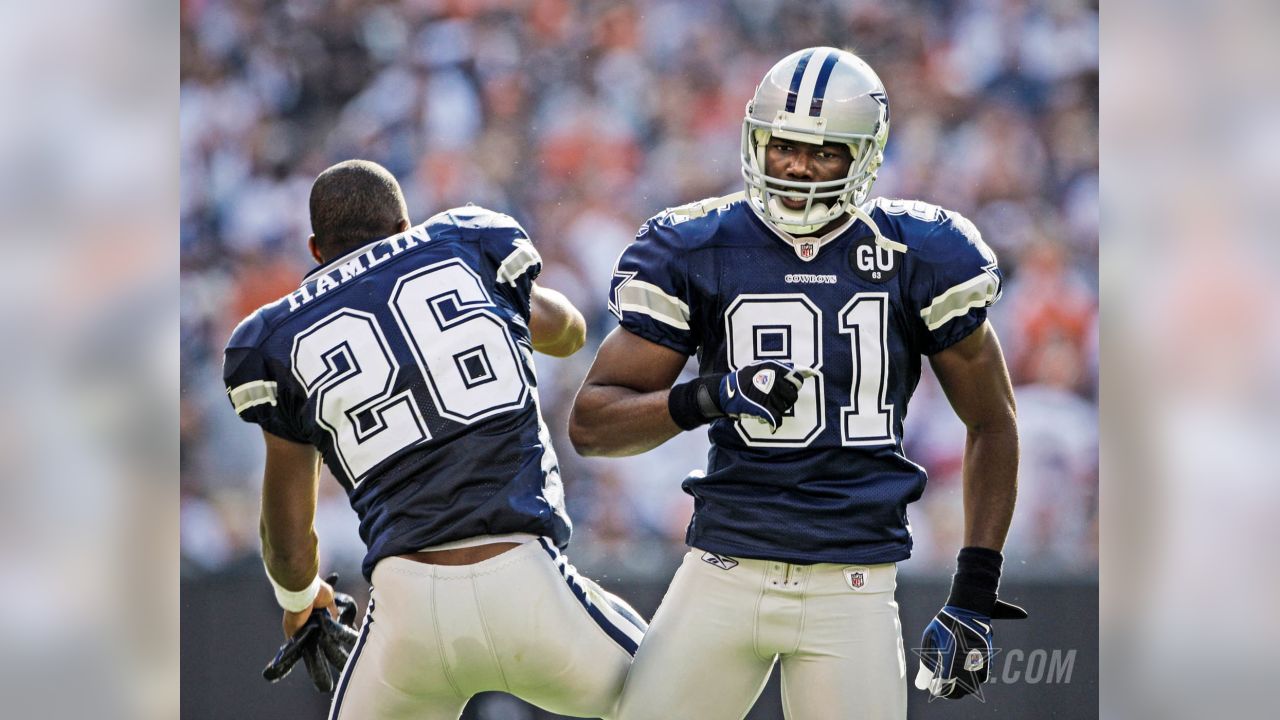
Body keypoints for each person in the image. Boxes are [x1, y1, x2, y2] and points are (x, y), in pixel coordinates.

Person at [570, 47, 1024, 719]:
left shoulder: (920, 254)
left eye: (825, 152)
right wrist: (713, 395)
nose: (796, 167)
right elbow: (593, 424)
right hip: (722, 570)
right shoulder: (698, 246)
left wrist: (974, 592)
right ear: (756, 139)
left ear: (866, 155)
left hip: (852, 584)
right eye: (783, 145)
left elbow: (993, 422)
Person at [223, 159, 645, 719]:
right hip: (527, 583)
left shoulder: (274, 339)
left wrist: (301, 601)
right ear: (404, 228)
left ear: (316, 251)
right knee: (683, 694)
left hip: (404, 617)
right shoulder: (462, 242)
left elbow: (288, 543)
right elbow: (568, 333)